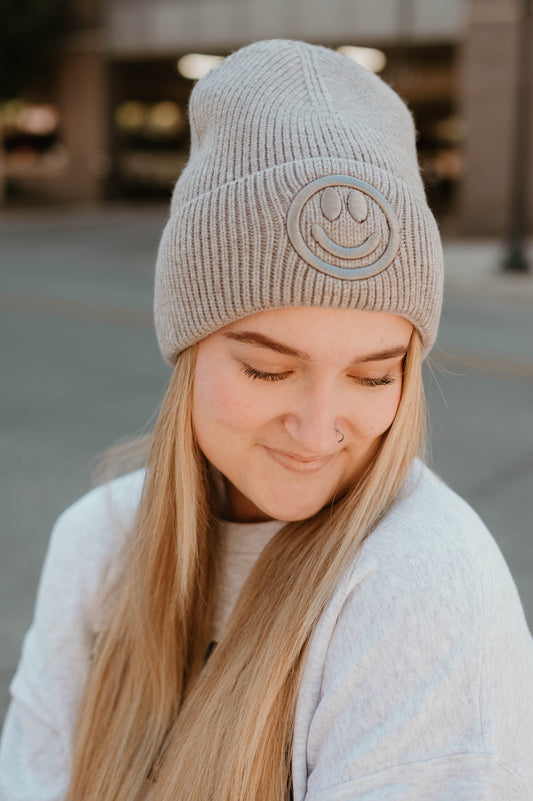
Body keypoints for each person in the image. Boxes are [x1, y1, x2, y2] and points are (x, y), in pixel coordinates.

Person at [1, 38, 532, 801]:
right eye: (267, 368)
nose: (318, 430)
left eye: (374, 374)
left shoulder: (423, 581)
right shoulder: (97, 545)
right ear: (186, 349)